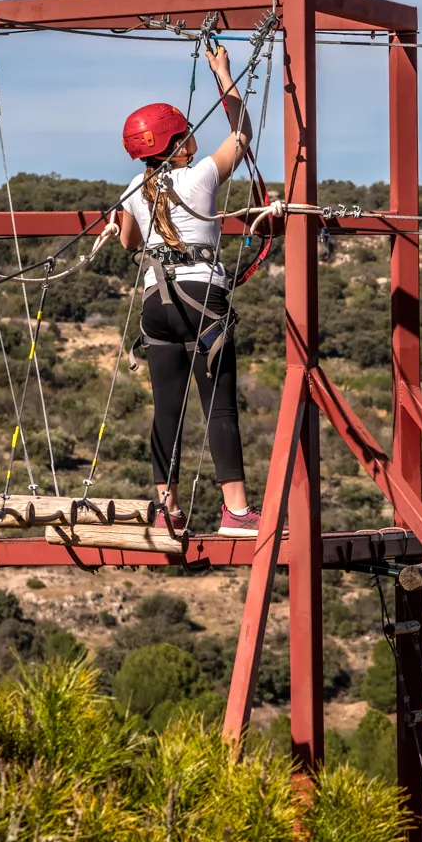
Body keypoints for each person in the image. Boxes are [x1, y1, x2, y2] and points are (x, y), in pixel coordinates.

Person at [116, 41, 261, 538]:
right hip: (203, 300)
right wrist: (224, 76)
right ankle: (236, 512)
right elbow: (242, 136)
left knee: (167, 409)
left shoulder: (133, 191)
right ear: (178, 143)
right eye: (186, 134)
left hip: (158, 302)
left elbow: (128, 241)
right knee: (218, 406)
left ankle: (165, 511)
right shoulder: (199, 177)